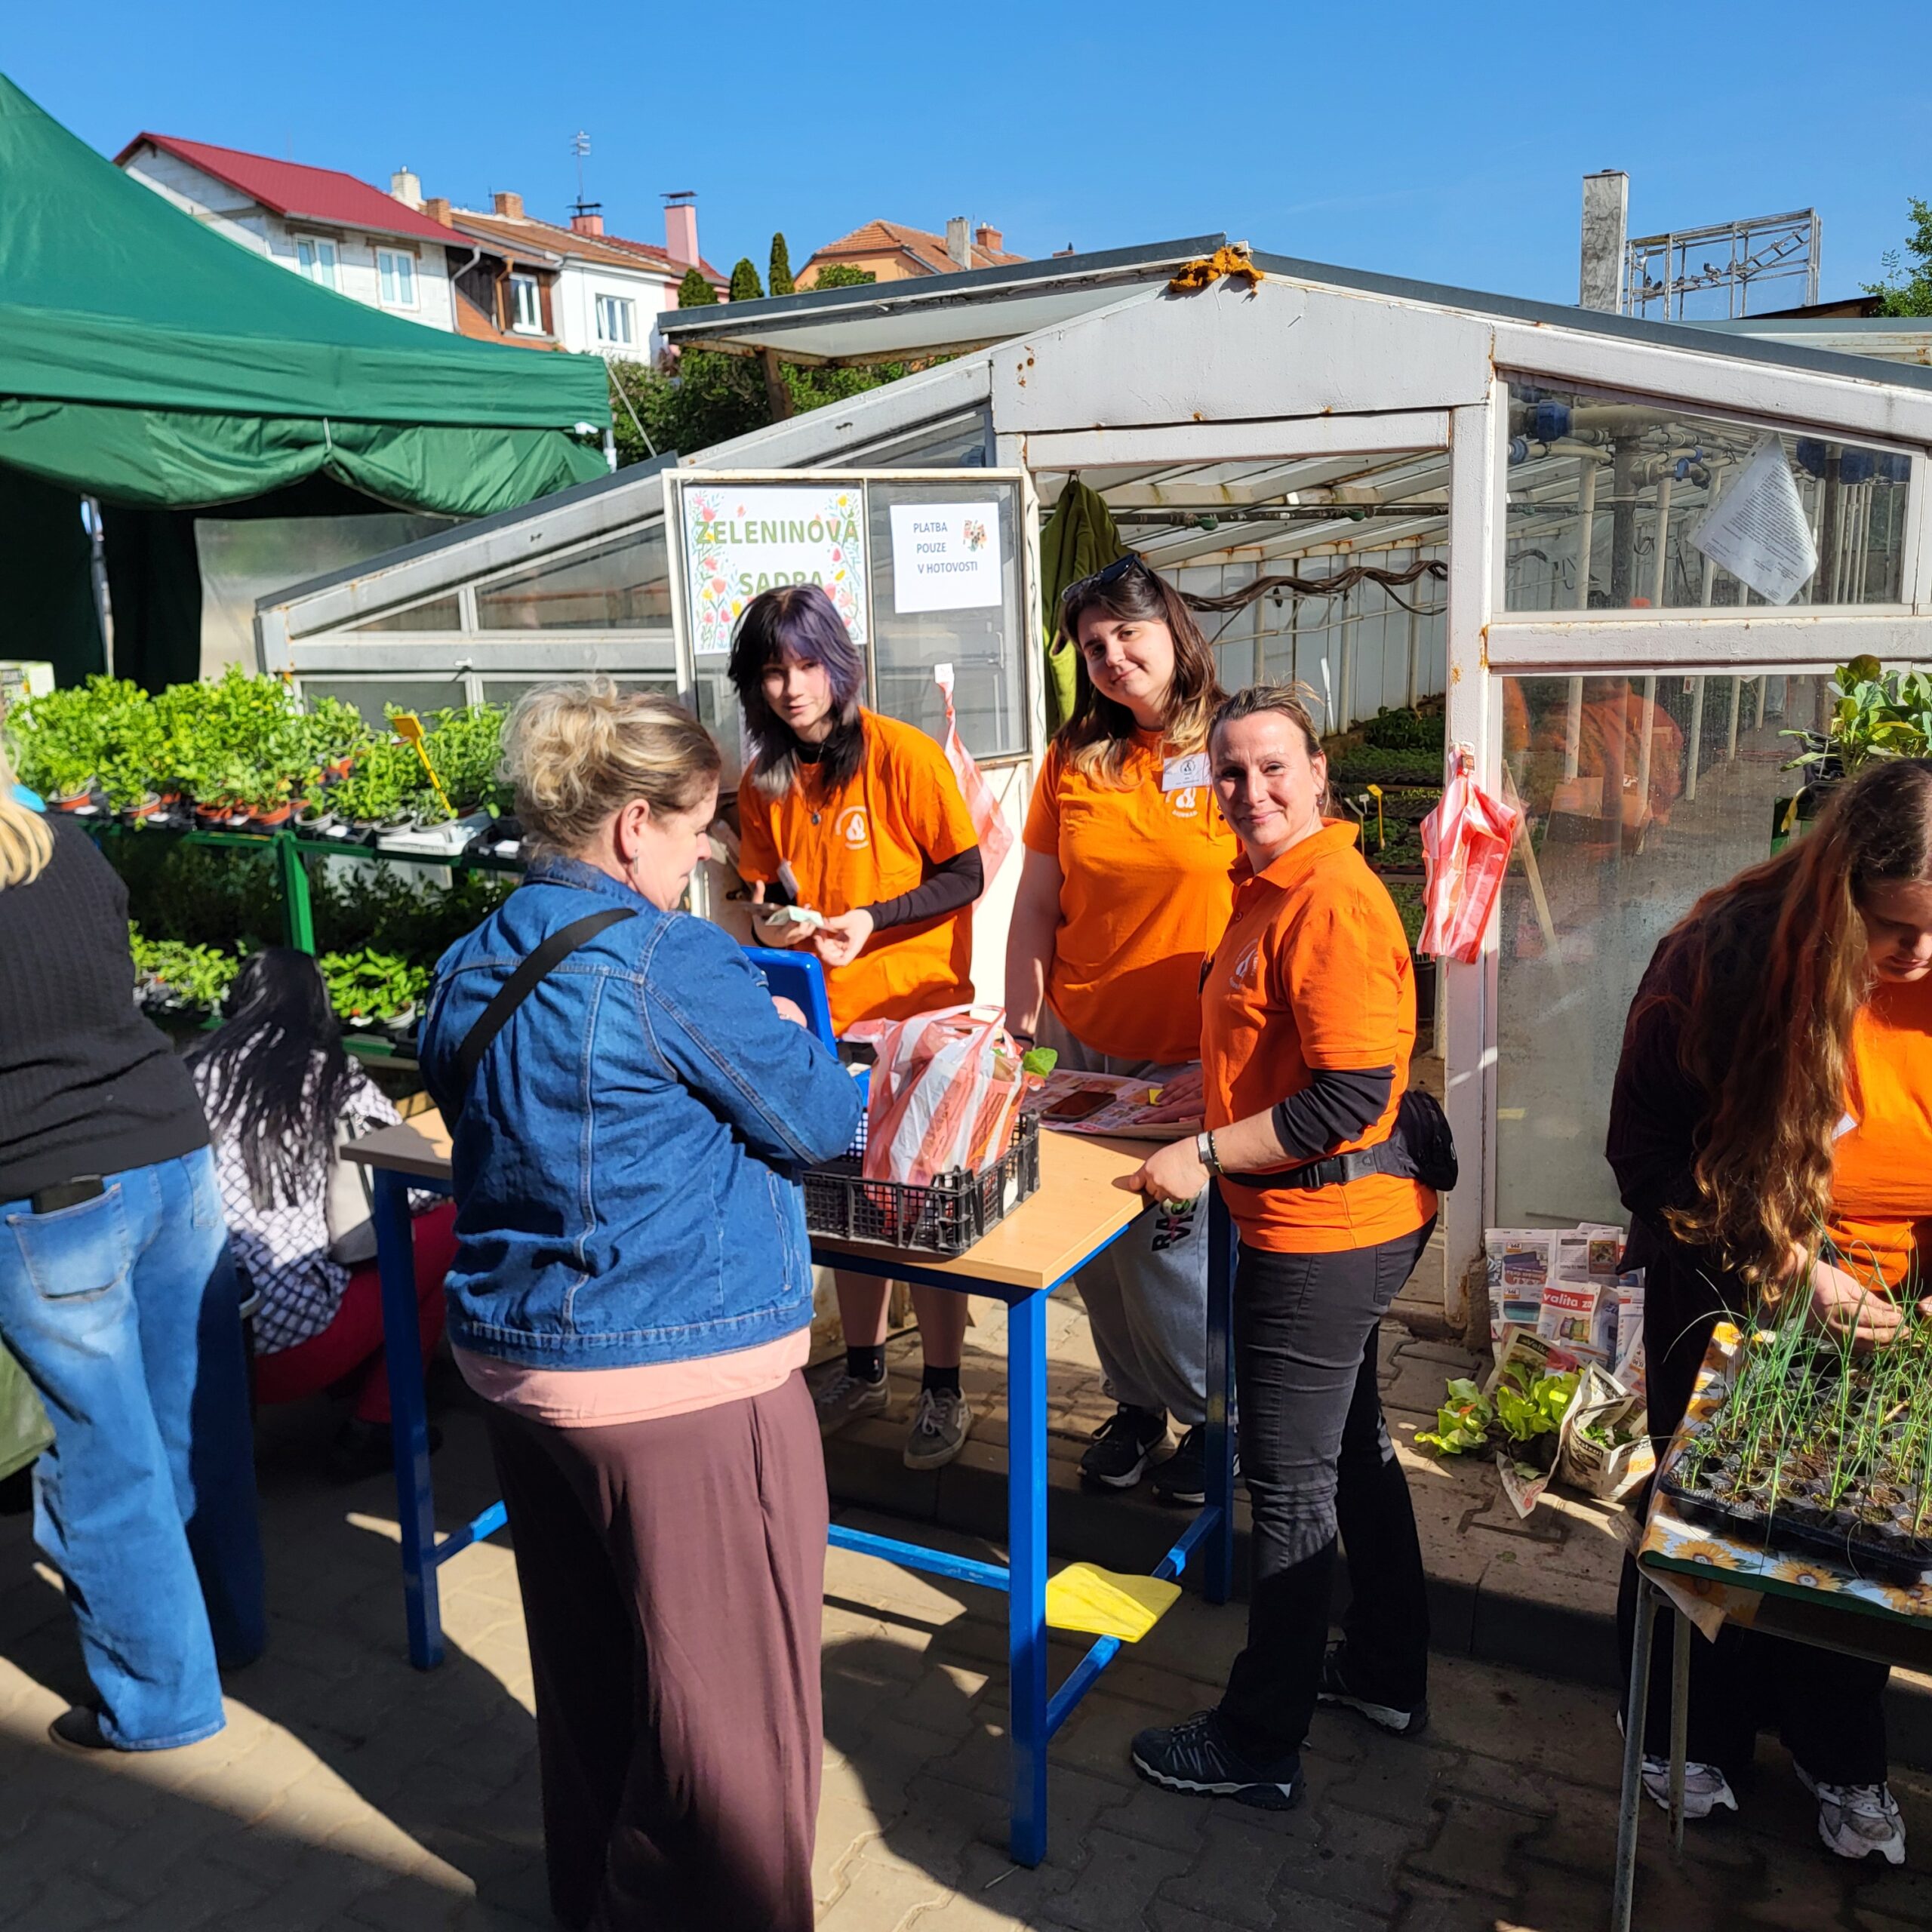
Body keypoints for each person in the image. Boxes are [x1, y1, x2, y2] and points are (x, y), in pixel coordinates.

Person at [417, 679, 861, 1932]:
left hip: (519, 1374)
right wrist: (789, 1026)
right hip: (681, 1388)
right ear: (631, 827)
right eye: (700, 826)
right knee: (731, 1746)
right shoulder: (673, 959)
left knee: (592, 1692)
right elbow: (822, 1123)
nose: (707, 853)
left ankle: (597, 1907)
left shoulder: (470, 955)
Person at [1607, 757, 1932, 1866]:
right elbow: (1647, 1157)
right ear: (1840, 890)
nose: (1918, 954)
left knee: (1857, 1534)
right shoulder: (1722, 961)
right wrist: (1793, 1272)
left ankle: (1839, 1751)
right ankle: (1687, 1732)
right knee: (1714, 1515)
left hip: (1894, 1306)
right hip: (1733, 1286)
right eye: (1895, 929)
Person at [1123, 685, 1438, 1809]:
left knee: (1291, 1486)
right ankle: (1386, 1673)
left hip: (1322, 1236)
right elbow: (1281, 1054)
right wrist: (1201, 1098)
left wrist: (1206, 1152)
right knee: (1352, 1451)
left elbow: (1346, 1098)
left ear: (1317, 774)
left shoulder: (1330, 900)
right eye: (1231, 771)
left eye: (1272, 768)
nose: (1250, 789)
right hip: (1331, 1224)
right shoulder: (1266, 886)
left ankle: (1258, 1744)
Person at [0, 743, 263, 1753]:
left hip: (51, 1192)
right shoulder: (68, 846)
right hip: (169, 1154)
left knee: (102, 1454)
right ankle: (229, 1633)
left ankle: (161, 1700)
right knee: (194, 1412)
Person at [729, 584, 986, 1471]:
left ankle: (944, 1384)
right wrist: (770, 925)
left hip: (920, 1019)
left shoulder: (903, 754)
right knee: (844, 1204)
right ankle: (867, 1367)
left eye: (806, 665)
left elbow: (966, 874)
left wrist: (873, 920)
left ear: (840, 665)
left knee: (925, 1209)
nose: (791, 688)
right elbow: (763, 891)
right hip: (823, 1029)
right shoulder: (762, 778)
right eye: (772, 672)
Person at [1004, 555, 1237, 1503]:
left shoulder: (1234, 742)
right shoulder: (1075, 756)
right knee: (1094, 1248)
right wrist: (1021, 1028)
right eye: (1092, 646)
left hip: (1187, 1050)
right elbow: (1035, 901)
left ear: (1171, 629)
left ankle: (1215, 1420)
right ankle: (1136, 1404)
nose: (1110, 657)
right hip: (1082, 1041)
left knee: (1171, 1251)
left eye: (1126, 633)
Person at [186, 949, 459, 1482]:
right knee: (445, 1229)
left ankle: (359, 1380)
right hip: (294, 1347)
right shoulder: (330, 1072)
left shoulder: (190, 1069)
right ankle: (382, 1421)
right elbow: (410, 1182)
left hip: (203, 1340)